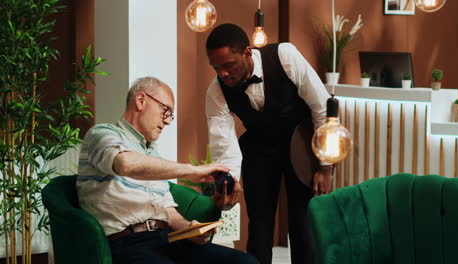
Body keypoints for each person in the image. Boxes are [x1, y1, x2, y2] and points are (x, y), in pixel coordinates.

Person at [76, 76, 259, 264]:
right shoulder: (101, 134)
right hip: (127, 243)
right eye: (166, 111)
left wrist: (189, 228)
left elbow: (167, 211)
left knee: (245, 262)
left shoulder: (153, 154)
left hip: (168, 239)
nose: (168, 121)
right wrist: (192, 171)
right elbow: (125, 164)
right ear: (141, 100)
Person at [205, 23, 334, 264]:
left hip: (301, 144)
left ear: (246, 52)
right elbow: (224, 145)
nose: (222, 73)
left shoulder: (285, 56)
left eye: (228, 65)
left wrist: (325, 165)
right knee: (260, 224)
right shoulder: (216, 91)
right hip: (259, 149)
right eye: (216, 67)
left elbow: (321, 106)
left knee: (303, 222)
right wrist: (229, 184)